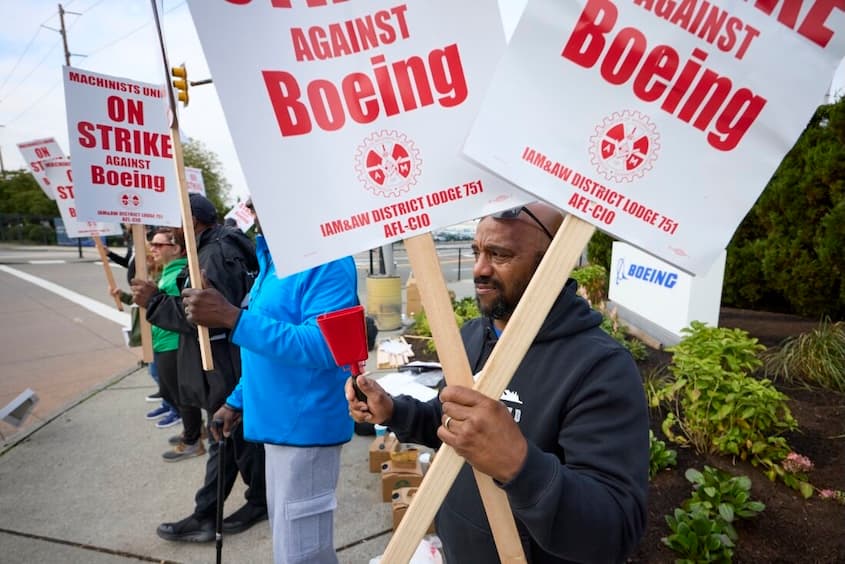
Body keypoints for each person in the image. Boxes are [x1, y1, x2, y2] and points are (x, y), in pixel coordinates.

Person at [347, 203, 649, 563]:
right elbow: (448, 423)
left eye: (500, 255)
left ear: (550, 262)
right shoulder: (473, 336)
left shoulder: (599, 366)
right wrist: (392, 410)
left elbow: (615, 527)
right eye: (477, 252)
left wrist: (519, 464)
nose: (479, 269)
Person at [182, 197, 360, 563]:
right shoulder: (274, 262)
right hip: (278, 427)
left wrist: (234, 317)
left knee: (303, 555)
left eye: (265, 195)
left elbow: (327, 347)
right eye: (253, 198)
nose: (254, 206)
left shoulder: (326, 262)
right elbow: (265, 352)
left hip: (306, 432)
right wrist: (237, 400)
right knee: (290, 547)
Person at [132, 193, 267, 542]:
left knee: (227, 435)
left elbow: (206, 317)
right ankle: (248, 502)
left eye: (172, 223)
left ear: (191, 222)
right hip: (231, 359)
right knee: (236, 438)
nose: (169, 231)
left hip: (223, 362)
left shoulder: (211, 254)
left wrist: (155, 302)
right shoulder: (225, 245)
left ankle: (214, 513)